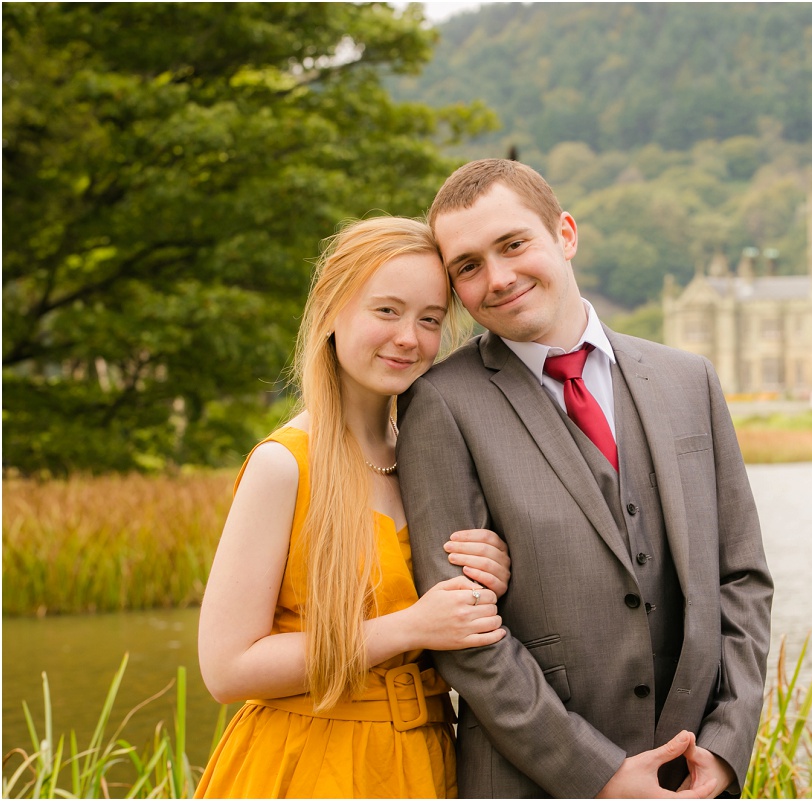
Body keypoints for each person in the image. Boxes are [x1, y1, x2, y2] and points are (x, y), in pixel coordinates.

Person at [396, 159, 774, 798]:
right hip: (532, 781)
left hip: (695, 777)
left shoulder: (690, 380)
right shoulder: (440, 402)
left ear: (565, 234)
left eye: (514, 244)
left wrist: (726, 742)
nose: (499, 277)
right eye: (468, 266)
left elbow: (741, 576)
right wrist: (596, 775)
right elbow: (464, 634)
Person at [196, 216, 512, 798]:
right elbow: (227, 668)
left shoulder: (430, 462)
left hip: (427, 763)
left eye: (429, 320)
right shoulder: (284, 464)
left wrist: (492, 568)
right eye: (386, 311)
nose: (408, 338)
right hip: (309, 764)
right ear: (330, 311)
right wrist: (411, 626)